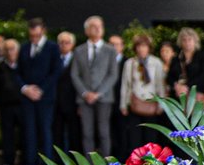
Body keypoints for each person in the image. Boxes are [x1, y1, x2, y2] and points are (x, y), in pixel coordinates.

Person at [70, 16, 120, 156]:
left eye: (100, 26)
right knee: (87, 133)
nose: (97, 29)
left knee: (103, 132)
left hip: (104, 97)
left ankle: (106, 164)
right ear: (86, 30)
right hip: (84, 98)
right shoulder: (79, 50)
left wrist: (98, 93)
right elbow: (75, 75)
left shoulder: (110, 50)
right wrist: (85, 93)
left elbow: (113, 74)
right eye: (93, 26)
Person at [18, 17, 60, 165]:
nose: (34, 38)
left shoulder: (52, 47)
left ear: (43, 31)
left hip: (45, 97)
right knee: (29, 131)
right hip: (27, 96)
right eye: (31, 35)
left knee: (45, 131)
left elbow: (56, 71)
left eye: (37, 35)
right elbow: (18, 71)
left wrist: (41, 89)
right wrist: (25, 88)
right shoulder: (24, 47)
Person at [119, 34, 167, 149]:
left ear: (149, 48)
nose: (141, 49)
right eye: (139, 46)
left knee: (151, 137)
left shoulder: (156, 62)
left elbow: (160, 85)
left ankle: (150, 160)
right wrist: (123, 105)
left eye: (144, 46)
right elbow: (125, 84)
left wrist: (162, 104)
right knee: (134, 138)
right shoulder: (130, 63)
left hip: (151, 103)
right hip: (135, 103)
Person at [0, 38, 24, 165]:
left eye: (12, 49)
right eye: (7, 49)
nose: (10, 52)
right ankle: (8, 164)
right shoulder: (0, 66)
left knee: (25, 135)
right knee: (7, 136)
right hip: (5, 106)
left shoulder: (23, 64)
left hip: (22, 105)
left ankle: (25, 163)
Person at [52, 31, 82, 154]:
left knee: (74, 134)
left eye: (67, 42)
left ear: (72, 44)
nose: (64, 45)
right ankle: (58, 161)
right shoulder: (53, 59)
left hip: (73, 101)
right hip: (56, 102)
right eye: (61, 42)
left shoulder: (78, 59)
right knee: (57, 134)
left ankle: (75, 160)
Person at [167, 27, 204, 101]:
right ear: (180, 42)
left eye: (189, 39)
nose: (187, 42)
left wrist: (187, 87)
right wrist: (176, 86)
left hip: (196, 95)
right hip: (177, 95)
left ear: (195, 41)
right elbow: (169, 77)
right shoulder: (176, 59)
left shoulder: (202, 57)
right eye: (184, 40)